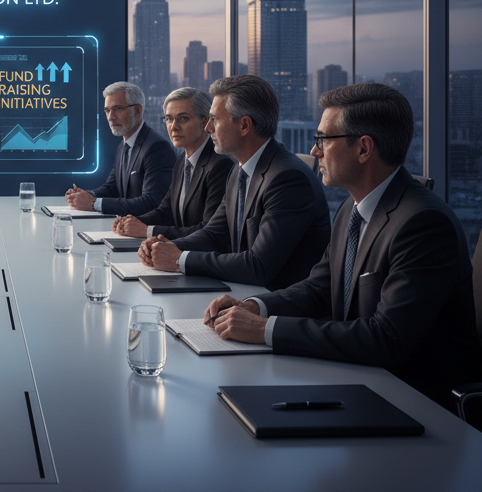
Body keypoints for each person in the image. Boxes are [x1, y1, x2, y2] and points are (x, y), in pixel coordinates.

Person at [204, 83, 482, 407]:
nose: (314, 151)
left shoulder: (424, 224)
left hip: (413, 405)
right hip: (356, 381)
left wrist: (265, 329)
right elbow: (319, 287)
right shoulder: (352, 208)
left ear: (364, 149)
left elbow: (385, 338)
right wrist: (255, 306)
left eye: (322, 139)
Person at [139, 74, 329, 291]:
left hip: (273, 306)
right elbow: (215, 233)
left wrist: (179, 259)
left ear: (244, 125)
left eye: (215, 119)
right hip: (240, 292)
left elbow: (258, 266)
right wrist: (166, 247)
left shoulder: (288, 180)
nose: (208, 127)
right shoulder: (239, 171)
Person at [111, 87, 233, 240]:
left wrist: (148, 231)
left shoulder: (220, 166)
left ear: (204, 122)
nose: (173, 127)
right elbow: (165, 211)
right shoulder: (182, 160)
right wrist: (133, 222)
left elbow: (208, 230)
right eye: (169, 119)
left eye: (183, 118)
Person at [64, 82, 175, 216]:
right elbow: (112, 188)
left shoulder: (157, 148)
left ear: (137, 110)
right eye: (107, 110)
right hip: (125, 228)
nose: (111, 117)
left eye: (118, 109)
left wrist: (93, 203)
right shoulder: (124, 146)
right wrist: (84, 196)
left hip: (146, 233)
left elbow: (152, 202)